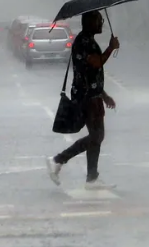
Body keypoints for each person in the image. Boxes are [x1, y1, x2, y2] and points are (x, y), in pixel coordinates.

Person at [46, 10, 120, 190]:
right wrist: (111, 48)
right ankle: (58, 160)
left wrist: (104, 95)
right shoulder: (83, 42)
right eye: (98, 20)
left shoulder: (88, 40)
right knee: (97, 136)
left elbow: (91, 73)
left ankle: (92, 178)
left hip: (92, 95)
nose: (101, 23)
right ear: (89, 23)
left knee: (97, 136)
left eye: (102, 20)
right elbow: (96, 63)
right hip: (86, 97)